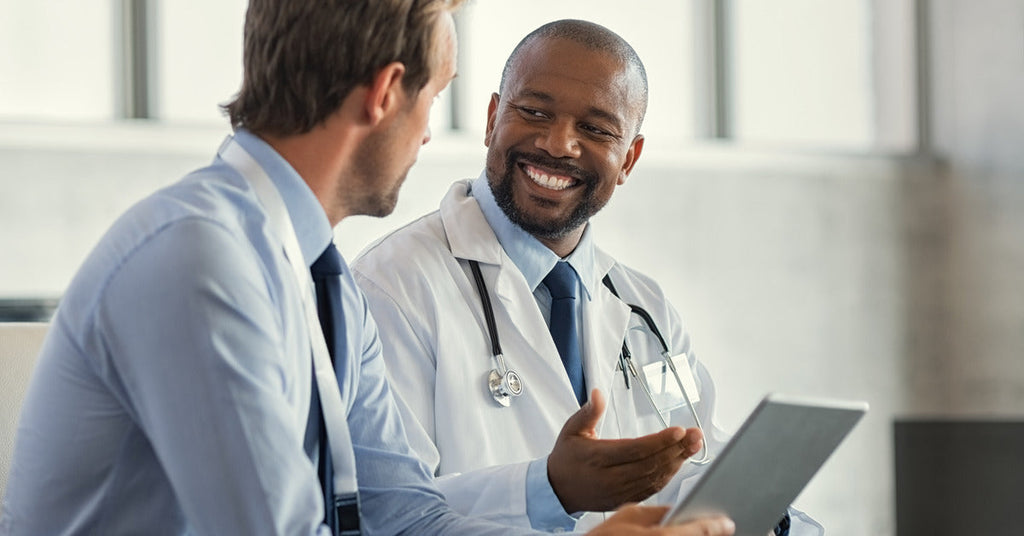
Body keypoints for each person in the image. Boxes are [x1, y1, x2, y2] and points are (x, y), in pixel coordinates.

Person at [0, 2, 738, 536]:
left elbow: (405, 514)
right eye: (437, 96)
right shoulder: (201, 262)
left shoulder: (319, 282)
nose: (428, 134)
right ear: (387, 93)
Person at [351, 18, 822, 534]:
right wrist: (549, 488)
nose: (558, 144)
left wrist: (767, 517)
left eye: (595, 129)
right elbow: (386, 513)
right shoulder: (392, 287)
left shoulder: (646, 312)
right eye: (533, 111)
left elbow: (693, 457)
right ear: (491, 119)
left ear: (629, 159)